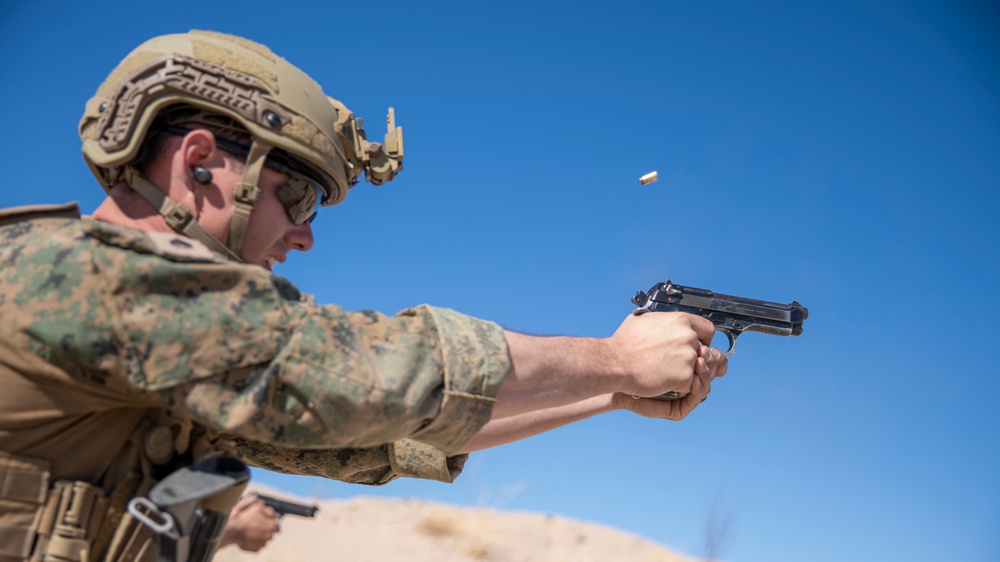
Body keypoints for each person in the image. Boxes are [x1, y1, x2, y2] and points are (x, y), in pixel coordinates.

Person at [0, 30, 726, 562]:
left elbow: (392, 432)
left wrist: (611, 393)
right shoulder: (83, 274)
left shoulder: (164, 357)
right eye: (298, 198)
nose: (304, 236)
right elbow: (377, 375)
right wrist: (614, 358)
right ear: (199, 163)